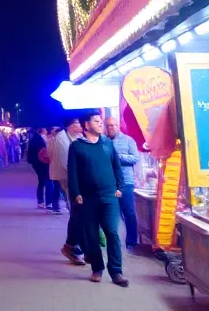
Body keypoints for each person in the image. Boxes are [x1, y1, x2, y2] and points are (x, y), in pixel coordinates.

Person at [68, 112, 129, 287]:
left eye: (100, 121)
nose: (100, 124)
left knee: (112, 232)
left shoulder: (107, 143)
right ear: (86, 125)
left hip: (109, 197)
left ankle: (116, 271)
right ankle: (97, 268)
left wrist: (120, 187)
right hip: (88, 199)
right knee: (91, 234)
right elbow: (72, 173)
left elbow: (116, 166)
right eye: (96, 121)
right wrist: (75, 193)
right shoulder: (77, 147)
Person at [52, 116, 85, 264]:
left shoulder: (76, 137)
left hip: (79, 180)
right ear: (71, 125)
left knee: (79, 214)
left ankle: (77, 245)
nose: (81, 125)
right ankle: (72, 246)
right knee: (77, 213)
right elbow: (67, 164)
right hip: (71, 180)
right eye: (78, 123)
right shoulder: (62, 138)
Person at [105, 116, 140, 249]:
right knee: (111, 213)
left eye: (113, 125)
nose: (111, 128)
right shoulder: (103, 141)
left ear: (118, 126)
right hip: (109, 182)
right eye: (108, 126)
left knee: (129, 212)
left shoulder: (128, 140)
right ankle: (113, 241)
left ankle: (131, 241)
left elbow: (135, 158)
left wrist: (117, 157)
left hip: (126, 182)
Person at [27, 127, 50, 209]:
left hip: (38, 162)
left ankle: (41, 200)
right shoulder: (39, 139)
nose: (46, 130)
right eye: (45, 129)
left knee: (42, 180)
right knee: (44, 180)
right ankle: (43, 200)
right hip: (40, 162)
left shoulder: (36, 138)